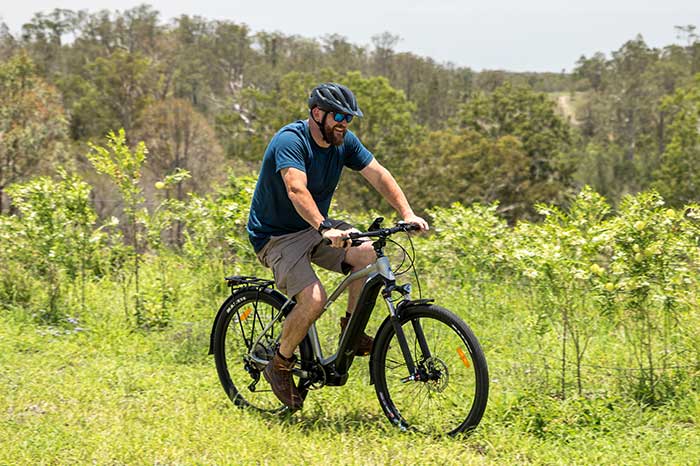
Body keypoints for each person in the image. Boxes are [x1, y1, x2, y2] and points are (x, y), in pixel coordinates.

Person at [246, 82, 429, 409]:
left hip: (314, 227)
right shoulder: (291, 141)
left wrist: (407, 213)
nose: (345, 123)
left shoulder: (344, 142)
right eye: (339, 116)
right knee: (314, 300)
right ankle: (280, 363)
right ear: (317, 114)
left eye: (350, 117)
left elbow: (378, 175)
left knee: (367, 252)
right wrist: (324, 226)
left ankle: (351, 331)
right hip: (276, 236)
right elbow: (296, 191)